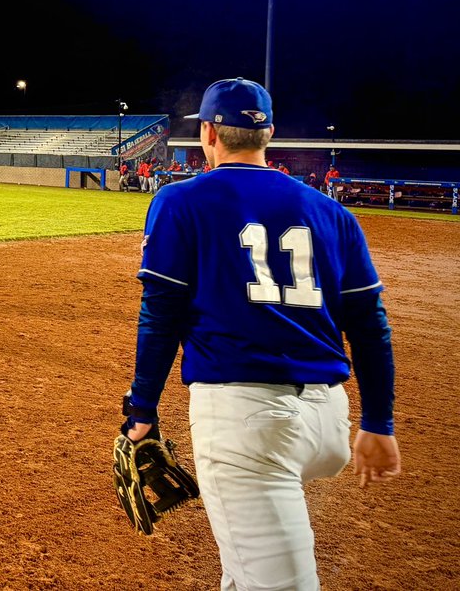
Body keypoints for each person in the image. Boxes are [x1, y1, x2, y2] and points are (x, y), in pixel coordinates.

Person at [121, 77, 400, 590]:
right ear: (267, 133)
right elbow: (370, 326)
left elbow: (160, 315)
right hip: (328, 427)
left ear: (208, 133)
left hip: (247, 424)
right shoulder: (332, 212)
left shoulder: (181, 201)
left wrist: (141, 412)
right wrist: (379, 420)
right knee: (247, 568)